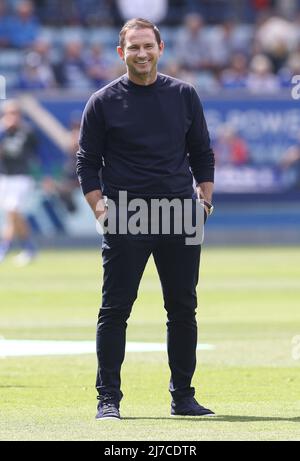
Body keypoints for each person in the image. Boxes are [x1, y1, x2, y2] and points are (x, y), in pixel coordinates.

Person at [77, 18, 215, 420]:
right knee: (115, 309)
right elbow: (86, 163)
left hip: (180, 214)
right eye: (133, 47)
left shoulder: (184, 95)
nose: (141, 53)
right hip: (127, 215)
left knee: (183, 309)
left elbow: (202, 153)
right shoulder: (102, 101)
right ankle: (109, 400)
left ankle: (183, 397)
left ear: (161, 48)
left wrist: (204, 203)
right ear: (121, 52)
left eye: (147, 46)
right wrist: (102, 209)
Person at [0, 99, 38, 265]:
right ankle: (29, 248)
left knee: (13, 210)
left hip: (21, 177)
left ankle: (4, 248)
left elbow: (37, 153)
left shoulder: (27, 131)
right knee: (12, 216)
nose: (13, 117)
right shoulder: (2, 131)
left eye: (15, 113)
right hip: (4, 177)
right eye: (10, 113)